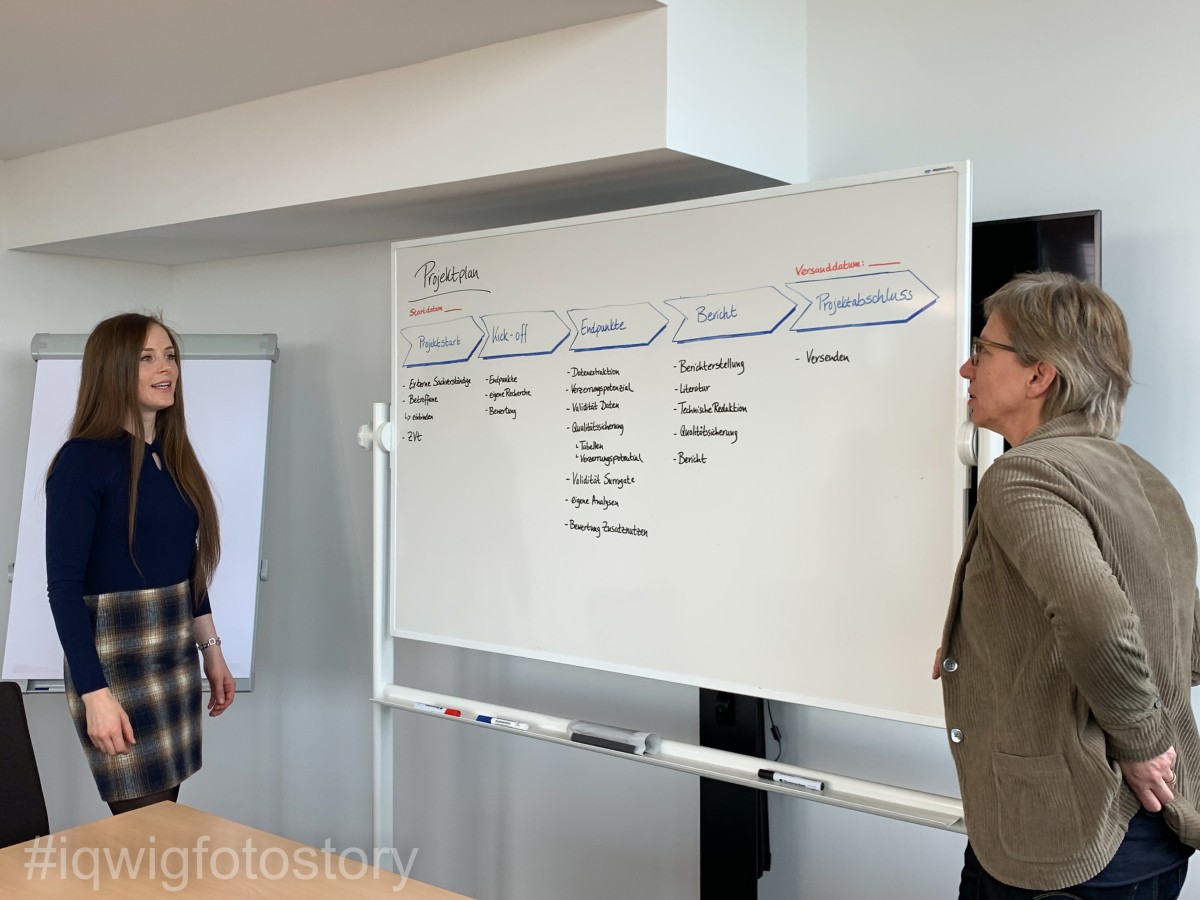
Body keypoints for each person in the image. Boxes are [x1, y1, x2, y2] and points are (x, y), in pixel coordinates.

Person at [935, 272, 1200, 898]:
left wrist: (1140, 740)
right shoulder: (1146, 476)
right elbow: (1185, 636)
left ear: (1039, 376)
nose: (967, 371)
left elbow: (1100, 622)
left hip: (1071, 840)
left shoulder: (1024, 475)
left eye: (982, 351)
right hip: (1153, 834)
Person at [45, 312, 235, 815]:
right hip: (116, 662)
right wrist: (95, 695)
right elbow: (63, 588)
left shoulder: (169, 455)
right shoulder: (81, 460)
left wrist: (211, 650)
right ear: (113, 370)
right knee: (143, 831)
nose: (165, 368)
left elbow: (188, 563)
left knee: (162, 821)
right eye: (147, 358)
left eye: (169, 355)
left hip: (174, 655)